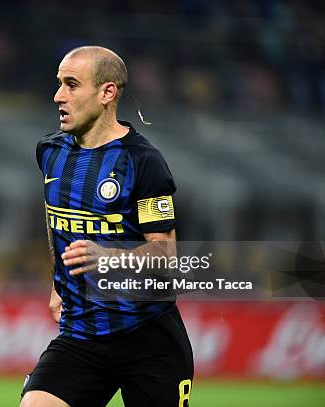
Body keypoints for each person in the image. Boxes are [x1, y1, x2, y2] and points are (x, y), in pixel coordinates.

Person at [20, 46, 194, 407]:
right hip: (81, 336)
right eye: (58, 84)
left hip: (149, 338)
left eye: (71, 85)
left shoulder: (143, 163)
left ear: (107, 93)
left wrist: (108, 257)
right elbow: (57, 221)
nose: (58, 96)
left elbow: (166, 256)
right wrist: (58, 281)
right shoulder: (49, 152)